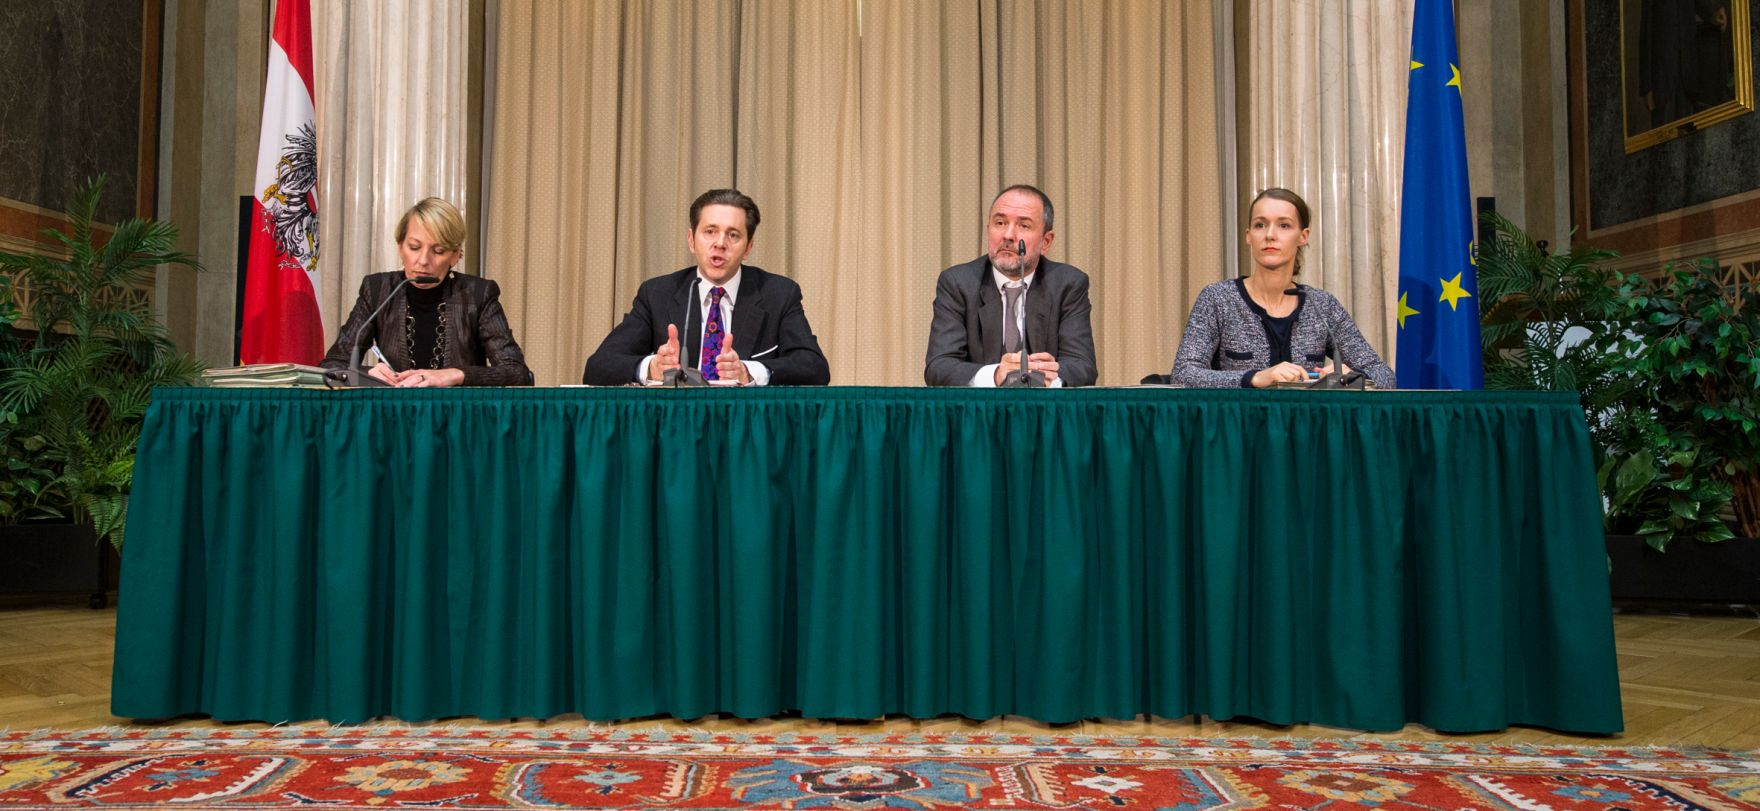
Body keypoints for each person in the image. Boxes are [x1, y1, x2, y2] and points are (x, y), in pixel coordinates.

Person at [582, 189, 830, 386]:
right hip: (677, 428)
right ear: (691, 240)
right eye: (710, 232)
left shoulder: (778, 294)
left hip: (745, 430)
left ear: (748, 247)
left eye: (733, 235)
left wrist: (748, 371)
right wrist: (650, 367)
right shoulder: (658, 294)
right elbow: (598, 367)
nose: (720, 243)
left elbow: (814, 367)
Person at [1171, 187, 1395, 389]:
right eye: (1260, 225)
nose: (1270, 235)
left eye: (1284, 225)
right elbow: (1184, 374)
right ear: (1249, 236)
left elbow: (1385, 376)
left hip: (1307, 428)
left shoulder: (1322, 305)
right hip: (1239, 428)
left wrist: (1354, 376)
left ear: (1303, 236)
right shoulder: (1218, 299)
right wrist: (1254, 378)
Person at [320, 197, 533, 387]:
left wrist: (456, 375)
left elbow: (517, 373)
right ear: (400, 247)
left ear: (456, 255)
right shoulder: (377, 290)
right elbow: (332, 365)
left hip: (458, 417)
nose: (423, 261)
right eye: (414, 247)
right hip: (393, 416)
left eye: (438, 251)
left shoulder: (478, 295)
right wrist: (369, 375)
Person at [923, 184, 1097, 387]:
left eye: (1024, 226)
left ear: (1046, 241)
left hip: (1045, 413)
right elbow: (939, 367)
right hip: (979, 414)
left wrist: (1046, 376)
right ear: (988, 230)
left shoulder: (1067, 284)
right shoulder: (958, 283)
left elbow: (1082, 367)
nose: (1008, 235)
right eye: (1000, 223)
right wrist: (996, 374)